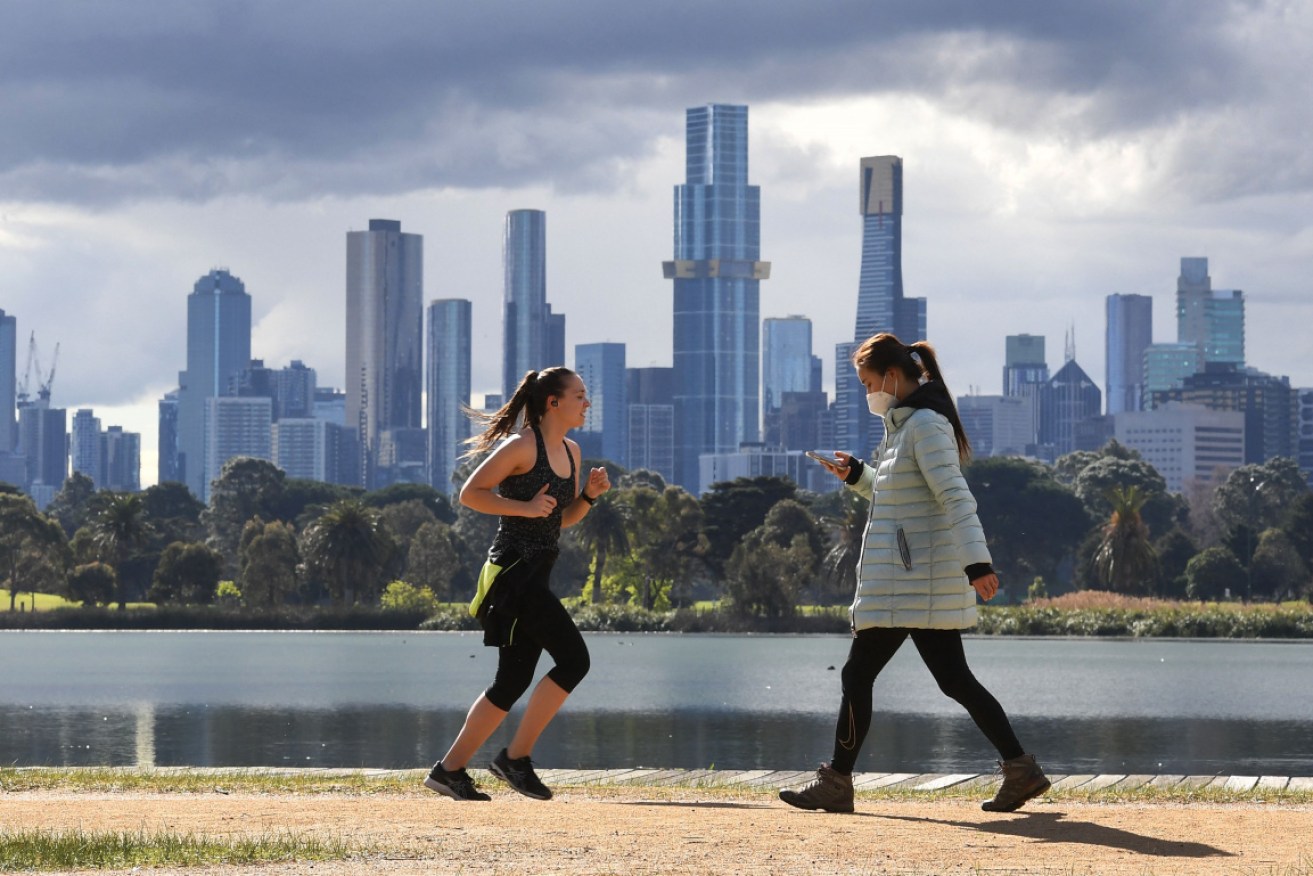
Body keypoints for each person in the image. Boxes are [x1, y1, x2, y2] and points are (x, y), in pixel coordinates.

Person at [780, 333, 1050, 814]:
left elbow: (954, 496)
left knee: (857, 673)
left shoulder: (924, 426)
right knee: (955, 680)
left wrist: (979, 564)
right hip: (913, 580)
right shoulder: (904, 427)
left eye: (868, 383)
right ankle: (1021, 768)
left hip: (909, 582)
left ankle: (838, 781)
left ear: (892, 376)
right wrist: (858, 475)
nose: (868, 393)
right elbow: (901, 502)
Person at [424, 367, 610, 802]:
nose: (586, 403)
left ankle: (449, 771)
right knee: (574, 660)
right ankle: (515, 758)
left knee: (512, 680)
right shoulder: (521, 446)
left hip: (537, 570)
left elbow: (558, 520)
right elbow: (471, 494)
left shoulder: (571, 451)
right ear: (553, 402)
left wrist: (587, 497)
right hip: (511, 573)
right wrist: (523, 507)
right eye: (580, 396)